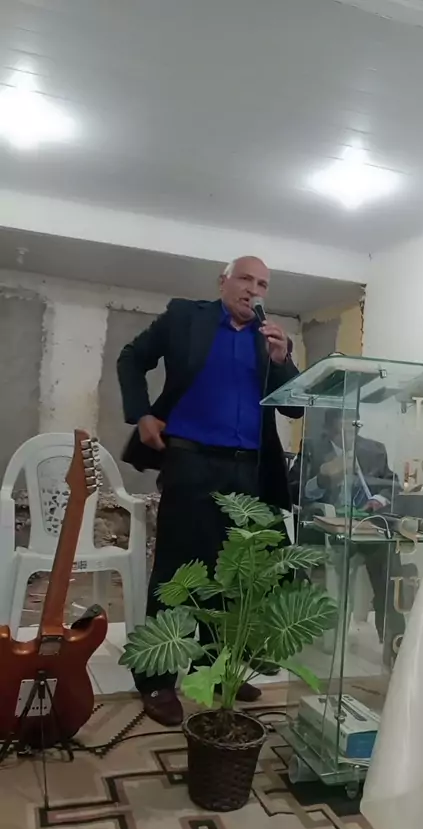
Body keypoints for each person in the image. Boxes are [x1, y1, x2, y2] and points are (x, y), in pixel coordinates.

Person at [117, 256, 301, 726]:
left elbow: (295, 408)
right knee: (177, 571)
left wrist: (283, 361)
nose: (253, 290)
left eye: (262, 284)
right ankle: (156, 678)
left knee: (235, 575)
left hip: (249, 472)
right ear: (223, 281)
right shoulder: (185, 316)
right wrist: (142, 413)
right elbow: (131, 358)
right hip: (190, 461)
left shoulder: (271, 341)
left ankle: (215, 671)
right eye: (245, 279)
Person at [289, 409, 403, 653]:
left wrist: (378, 500)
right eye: (343, 428)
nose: (350, 434)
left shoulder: (375, 450)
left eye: (354, 427)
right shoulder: (312, 448)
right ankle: (329, 633)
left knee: (388, 556)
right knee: (334, 564)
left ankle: (394, 640)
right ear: (329, 429)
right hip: (325, 526)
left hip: (365, 524)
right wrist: (321, 479)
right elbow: (293, 490)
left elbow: (392, 484)